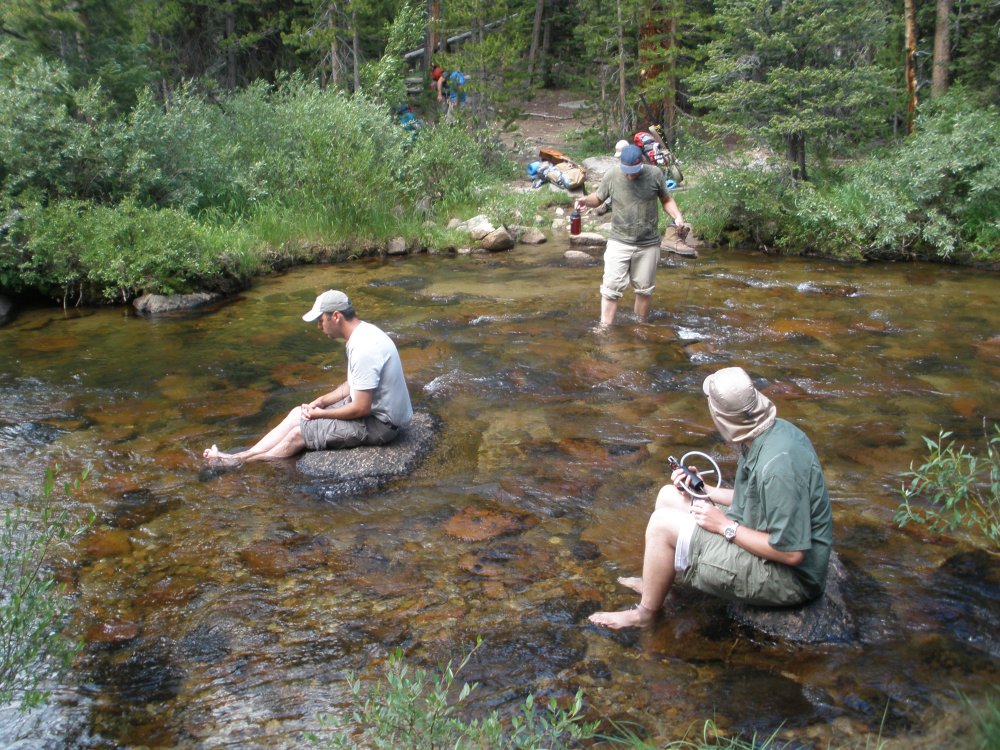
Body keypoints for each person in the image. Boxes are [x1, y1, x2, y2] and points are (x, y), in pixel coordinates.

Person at [588, 366, 833, 629]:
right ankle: (656, 586)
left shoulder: (777, 467)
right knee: (668, 496)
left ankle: (645, 615)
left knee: (661, 525)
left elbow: (791, 553)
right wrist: (705, 490)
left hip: (789, 578)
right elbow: (756, 496)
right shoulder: (770, 432)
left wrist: (724, 526)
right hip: (759, 534)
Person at [203, 290, 413, 465]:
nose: (319, 326)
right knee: (298, 414)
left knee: (298, 433)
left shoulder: (364, 348)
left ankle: (241, 463)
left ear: (336, 316)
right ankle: (242, 455)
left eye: (321, 320)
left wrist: (321, 414)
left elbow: (361, 408)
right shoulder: (363, 333)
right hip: (374, 414)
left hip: (381, 425)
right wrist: (321, 402)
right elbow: (355, 384)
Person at [575, 144, 690, 328]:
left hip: (648, 243)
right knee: (610, 289)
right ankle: (605, 329)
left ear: (641, 163)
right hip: (619, 241)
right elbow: (598, 198)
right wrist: (585, 201)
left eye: (634, 171)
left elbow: (666, 199)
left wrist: (677, 216)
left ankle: (640, 327)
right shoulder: (612, 175)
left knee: (644, 290)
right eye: (627, 171)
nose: (630, 175)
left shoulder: (654, 174)